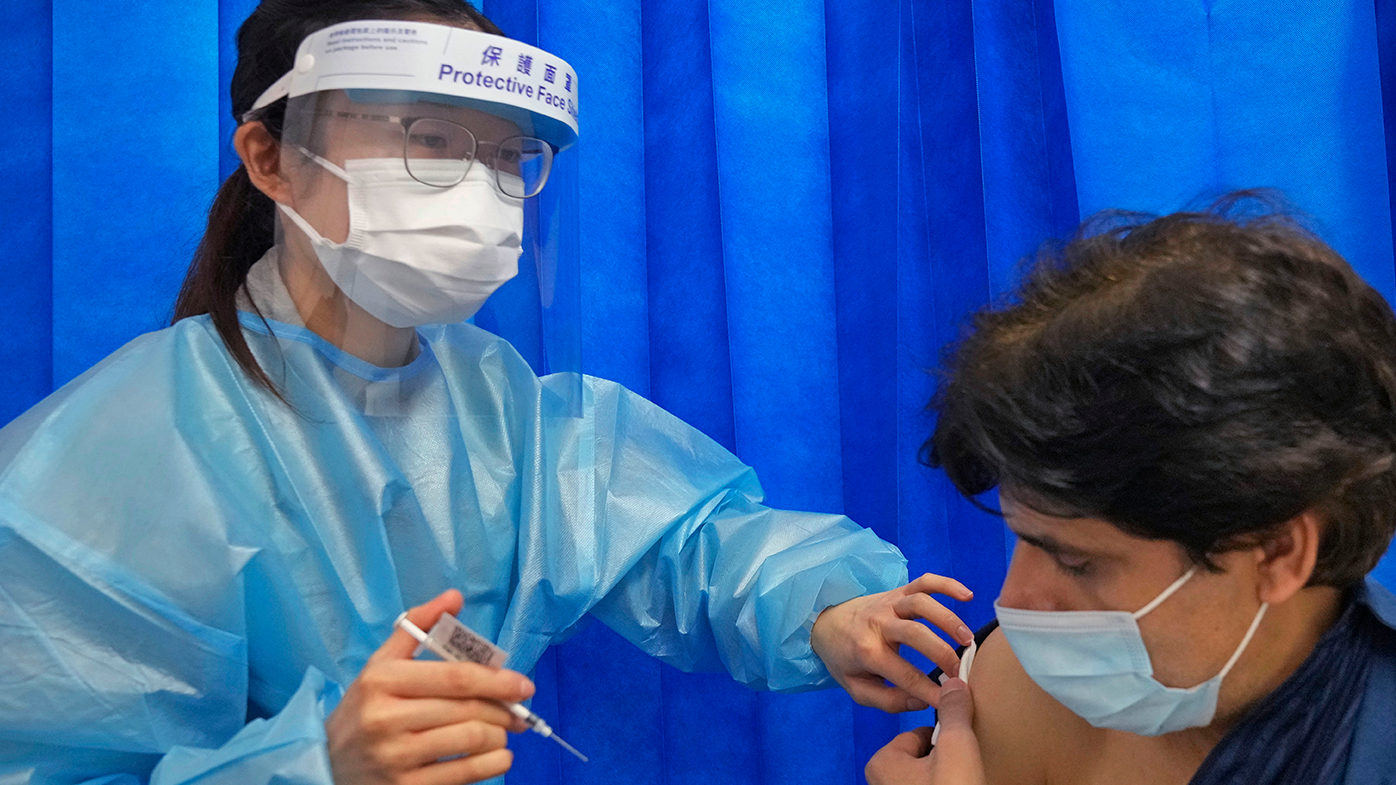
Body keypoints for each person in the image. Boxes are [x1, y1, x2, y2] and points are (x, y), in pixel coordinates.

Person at [0, 2, 975, 784]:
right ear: (270, 158)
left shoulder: (497, 407)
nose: (477, 192)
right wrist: (315, 766)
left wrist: (833, 610)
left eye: (507, 157)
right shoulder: (109, 460)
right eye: (427, 139)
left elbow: (685, 542)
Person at [866, 197, 1396, 785]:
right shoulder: (1017, 684)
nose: (1014, 605)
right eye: (1024, 539)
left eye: (1077, 562)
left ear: (1277, 552)